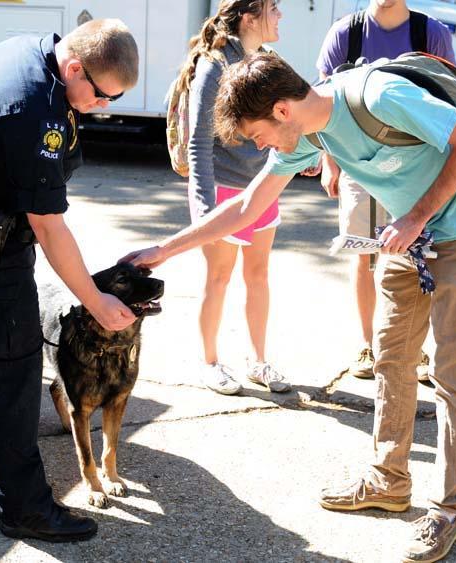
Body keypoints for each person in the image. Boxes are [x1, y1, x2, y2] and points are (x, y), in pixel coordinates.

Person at [124, 52, 456, 562]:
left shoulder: (377, 96)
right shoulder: (306, 132)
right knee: (391, 361)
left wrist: (415, 216)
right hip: (404, 240)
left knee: (453, 377)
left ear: (281, 110)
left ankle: (450, 508)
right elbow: (246, 206)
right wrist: (163, 251)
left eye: (256, 135)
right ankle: (389, 481)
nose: (259, 147)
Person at [0, 19, 139, 542]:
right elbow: (48, 225)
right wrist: (97, 302)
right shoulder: (31, 110)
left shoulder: (34, 51)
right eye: (102, 94)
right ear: (75, 67)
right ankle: (24, 509)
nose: (103, 106)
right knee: (12, 369)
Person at [314, 0, 455, 381]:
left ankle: (417, 349)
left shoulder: (432, 33)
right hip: (358, 164)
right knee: (362, 253)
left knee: (416, 254)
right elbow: (321, 101)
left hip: (416, 167)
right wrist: (330, 160)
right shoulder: (347, 32)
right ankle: (368, 344)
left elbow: (449, 98)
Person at [180, 0, 290, 395]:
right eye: (273, 8)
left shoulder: (268, 61)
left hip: (261, 185)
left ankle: (259, 362)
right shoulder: (214, 65)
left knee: (258, 276)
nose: (280, 16)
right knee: (219, 278)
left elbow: (287, 118)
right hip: (222, 187)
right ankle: (210, 363)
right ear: (249, 17)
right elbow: (198, 144)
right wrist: (205, 209)